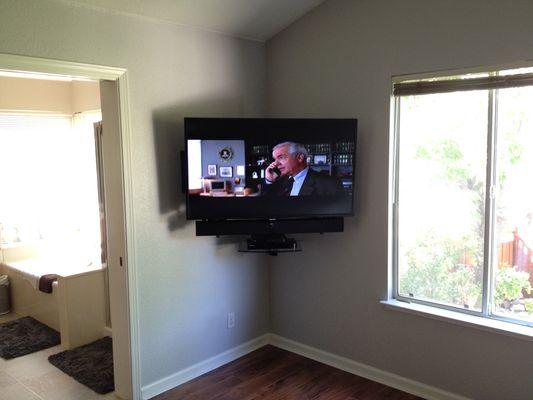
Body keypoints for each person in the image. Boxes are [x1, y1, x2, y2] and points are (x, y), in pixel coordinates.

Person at [262, 141, 343, 196]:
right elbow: (267, 206)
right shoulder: (280, 181)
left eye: (281, 157)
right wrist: (269, 180)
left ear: (300, 158)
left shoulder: (329, 183)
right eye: (275, 159)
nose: (275, 163)